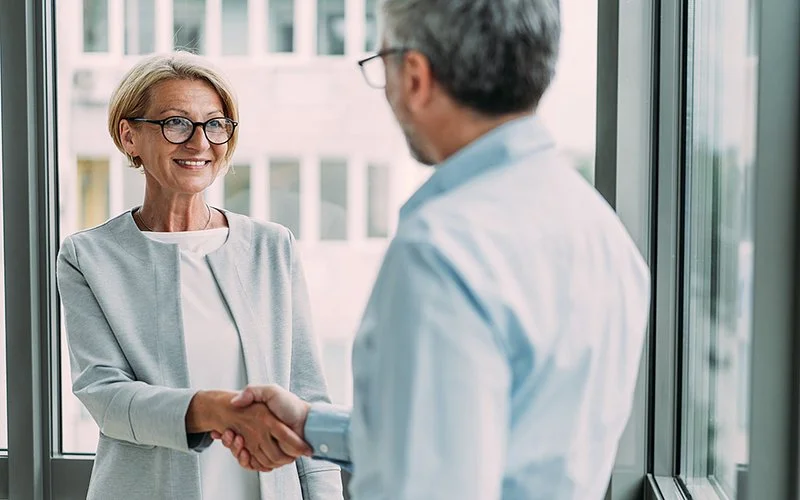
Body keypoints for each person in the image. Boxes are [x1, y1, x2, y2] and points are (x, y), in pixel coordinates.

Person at [217, 0, 651, 498]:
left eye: (382, 66)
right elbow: (484, 438)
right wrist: (313, 426)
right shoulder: (600, 231)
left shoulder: (443, 250)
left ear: (417, 77)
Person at [56, 52, 343, 500]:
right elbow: (106, 397)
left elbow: (308, 399)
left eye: (215, 124)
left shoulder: (271, 247)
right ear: (128, 136)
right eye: (176, 123)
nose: (199, 142)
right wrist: (214, 409)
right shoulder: (89, 256)